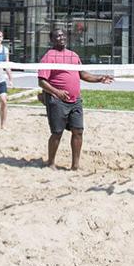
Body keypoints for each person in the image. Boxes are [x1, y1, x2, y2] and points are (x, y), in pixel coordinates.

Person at [37, 28, 114, 170]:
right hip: (57, 100)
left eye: (63, 35)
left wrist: (100, 78)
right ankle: (51, 163)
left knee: (78, 131)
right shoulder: (49, 56)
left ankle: (75, 166)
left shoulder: (73, 55)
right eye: (57, 36)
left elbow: (83, 74)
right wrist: (57, 92)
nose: (61, 38)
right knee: (57, 133)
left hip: (75, 100)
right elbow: (41, 82)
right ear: (52, 40)